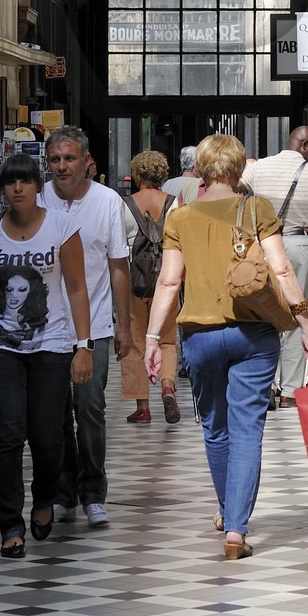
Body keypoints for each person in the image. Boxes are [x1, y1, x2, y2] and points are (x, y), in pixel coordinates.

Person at [143, 133, 308, 560]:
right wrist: (305, 324)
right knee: (247, 430)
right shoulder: (256, 208)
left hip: (199, 336)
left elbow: (168, 282)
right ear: (240, 169)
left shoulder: (179, 218)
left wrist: (152, 337)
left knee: (215, 427)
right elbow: (280, 269)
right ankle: (236, 529)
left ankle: (228, 510)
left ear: (201, 170)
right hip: (254, 335)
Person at [0, 154, 92, 558]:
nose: (17, 188)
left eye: (24, 181)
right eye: (9, 182)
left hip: (51, 345)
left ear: (38, 186)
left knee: (47, 436)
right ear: (1, 187)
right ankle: (9, 524)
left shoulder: (60, 225)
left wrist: (83, 346)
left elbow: (76, 288)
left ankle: (44, 499)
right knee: (6, 434)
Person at [42, 126, 131, 529]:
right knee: (55, 414)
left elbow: (118, 266)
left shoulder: (107, 201)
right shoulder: (36, 198)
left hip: (92, 326)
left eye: (70, 158)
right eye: (56, 160)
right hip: (44, 330)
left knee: (90, 410)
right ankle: (63, 494)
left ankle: (93, 492)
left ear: (86, 162)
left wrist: (124, 324)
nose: (63, 166)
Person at [241, 126, 308, 406]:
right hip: (298, 244)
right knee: (300, 315)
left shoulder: (258, 168)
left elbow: (236, 190)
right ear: (306, 146)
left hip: (263, 247)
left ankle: (266, 385)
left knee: (264, 315)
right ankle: (290, 391)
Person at [119, 149, 182, 426]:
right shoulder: (174, 203)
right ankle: (167, 387)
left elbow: (118, 247)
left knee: (135, 343)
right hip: (166, 282)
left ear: (137, 175)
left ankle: (142, 406)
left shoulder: (125, 204)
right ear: (162, 175)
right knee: (166, 340)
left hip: (134, 283)